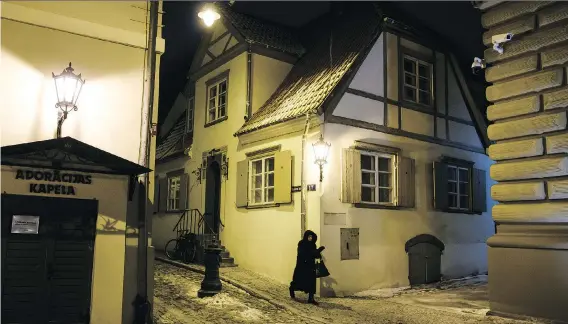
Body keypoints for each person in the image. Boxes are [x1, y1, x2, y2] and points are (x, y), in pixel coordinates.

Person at [289, 230, 325, 305]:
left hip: (310, 267)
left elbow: (314, 254)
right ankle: (292, 289)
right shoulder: (301, 243)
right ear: (306, 236)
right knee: (299, 282)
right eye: (309, 236)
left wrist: (318, 252)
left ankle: (311, 299)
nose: (310, 238)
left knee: (311, 282)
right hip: (302, 267)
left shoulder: (313, 245)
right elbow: (303, 254)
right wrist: (315, 252)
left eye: (311, 237)